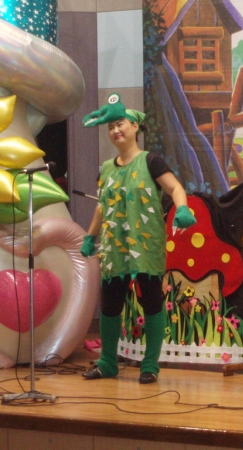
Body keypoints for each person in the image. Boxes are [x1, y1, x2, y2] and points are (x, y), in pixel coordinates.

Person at [79, 93, 196, 384]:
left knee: (152, 302)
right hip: (114, 247)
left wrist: (182, 208)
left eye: (120, 124)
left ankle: (150, 365)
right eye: (110, 127)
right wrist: (90, 236)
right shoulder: (107, 168)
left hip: (145, 245)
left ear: (135, 127)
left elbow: (176, 188)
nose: (115, 130)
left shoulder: (151, 161)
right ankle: (108, 362)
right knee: (110, 306)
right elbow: (101, 206)